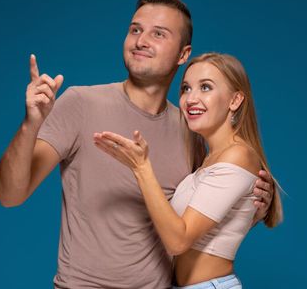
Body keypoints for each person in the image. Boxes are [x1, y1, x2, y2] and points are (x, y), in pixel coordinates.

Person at [0, 0, 275, 288]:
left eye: (158, 34)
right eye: (135, 30)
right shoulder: (80, 103)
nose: (141, 40)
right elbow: (10, 196)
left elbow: (197, 218)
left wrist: (256, 204)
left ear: (183, 54)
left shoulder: (191, 129)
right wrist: (31, 124)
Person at [93, 53, 283, 288]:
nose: (191, 98)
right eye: (185, 88)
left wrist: (142, 168)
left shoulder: (238, 155)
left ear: (235, 100)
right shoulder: (208, 160)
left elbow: (178, 241)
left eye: (205, 87)